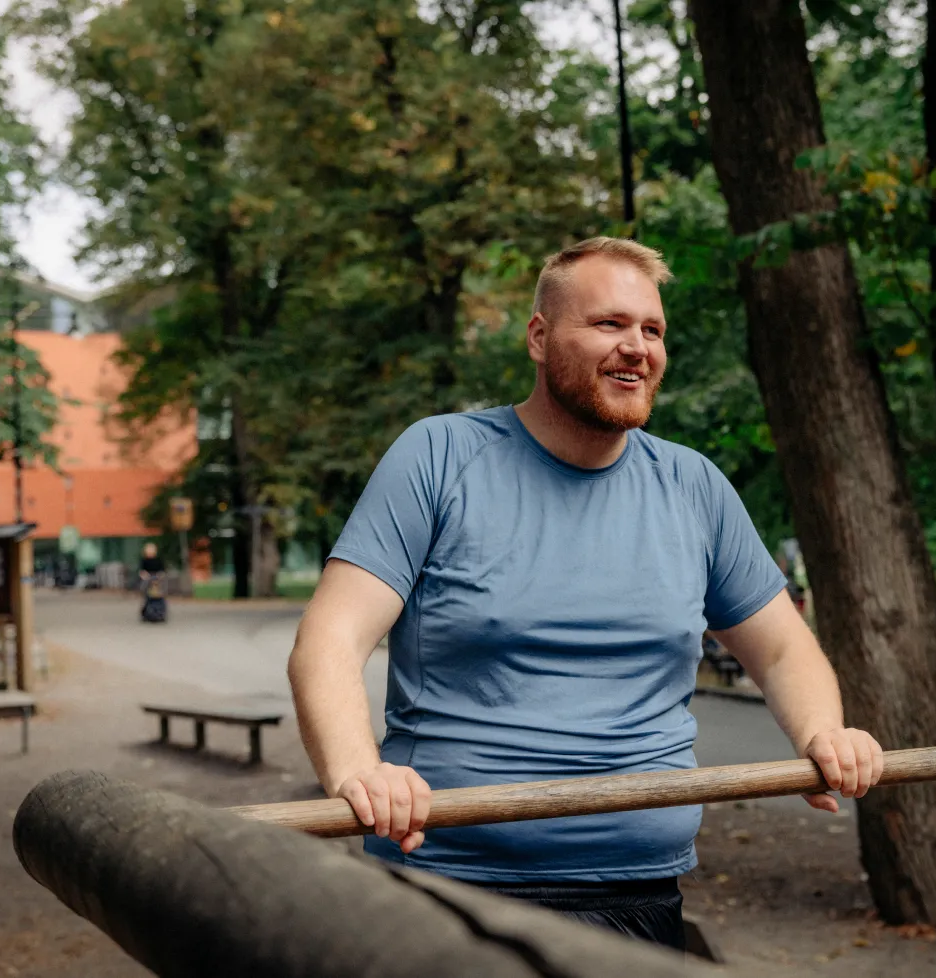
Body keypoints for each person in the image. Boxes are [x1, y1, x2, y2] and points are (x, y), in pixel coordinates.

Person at [288, 236, 884, 950]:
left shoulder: (692, 486)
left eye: (652, 329)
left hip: (639, 895)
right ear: (539, 338)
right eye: (609, 324)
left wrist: (821, 733)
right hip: (449, 891)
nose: (637, 346)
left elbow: (785, 647)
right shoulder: (440, 456)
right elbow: (329, 640)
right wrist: (360, 772)